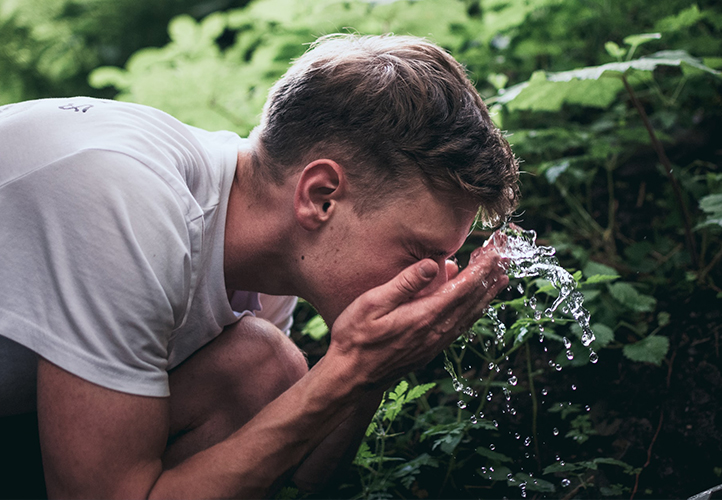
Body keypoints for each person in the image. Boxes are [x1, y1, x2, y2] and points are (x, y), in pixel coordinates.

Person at [0, 33, 519, 498]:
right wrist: (352, 365)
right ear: (320, 196)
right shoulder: (131, 206)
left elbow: (303, 473)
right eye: (420, 254)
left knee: (262, 369)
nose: (435, 279)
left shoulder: (266, 247)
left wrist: (372, 372)